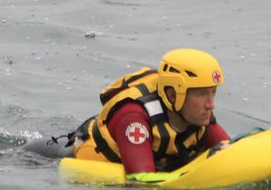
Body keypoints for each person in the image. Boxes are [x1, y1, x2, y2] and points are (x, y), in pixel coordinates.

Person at [46, 50, 232, 180]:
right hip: (48, 161)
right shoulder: (134, 119)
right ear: (173, 94)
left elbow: (231, 150)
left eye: (213, 93)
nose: (211, 105)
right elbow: (140, 182)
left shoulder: (195, 113)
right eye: (201, 94)